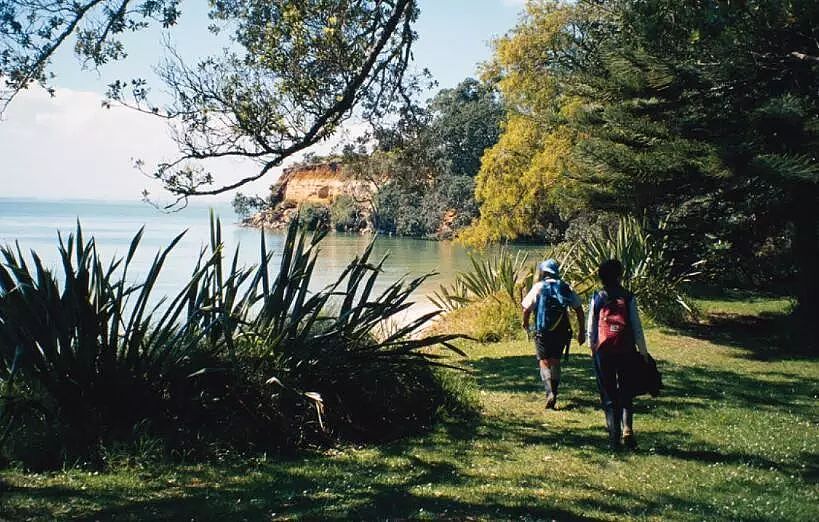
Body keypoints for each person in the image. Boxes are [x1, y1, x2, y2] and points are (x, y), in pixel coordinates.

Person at [586, 259, 650, 449]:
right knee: (626, 389)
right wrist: (643, 351)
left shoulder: (597, 297)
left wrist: (592, 348)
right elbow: (636, 327)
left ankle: (613, 435)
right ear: (620, 275)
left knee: (608, 392)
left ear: (601, 277)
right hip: (626, 349)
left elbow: (591, 327)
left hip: (603, 350)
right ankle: (627, 428)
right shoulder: (628, 297)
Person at [522, 259, 586, 410]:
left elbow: (526, 308)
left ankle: (549, 392)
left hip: (542, 331)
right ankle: (555, 393)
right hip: (562, 331)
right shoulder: (565, 287)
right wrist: (581, 330)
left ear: (543, 272)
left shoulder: (538, 287)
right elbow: (579, 309)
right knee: (555, 361)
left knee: (544, 361)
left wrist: (525, 323)